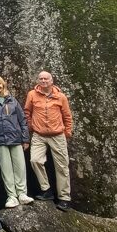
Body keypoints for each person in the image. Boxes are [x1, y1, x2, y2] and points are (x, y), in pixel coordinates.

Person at [0, 75, 33, 208]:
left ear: (3, 85)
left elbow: (22, 120)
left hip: (15, 138)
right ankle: (12, 196)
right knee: (6, 169)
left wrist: (25, 139)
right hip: (0, 140)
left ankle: (22, 194)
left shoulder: (12, 100)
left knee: (20, 167)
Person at [24, 71, 73, 211]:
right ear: (38, 81)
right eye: (41, 78)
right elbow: (27, 112)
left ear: (51, 81)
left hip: (57, 135)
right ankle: (46, 190)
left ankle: (64, 198)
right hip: (39, 135)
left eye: (46, 78)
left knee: (62, 166)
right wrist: (31, 126)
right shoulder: (32, 95)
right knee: (35, 160)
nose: (43, 81)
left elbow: (67, 116)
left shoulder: (60, 97)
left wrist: (67, 132)